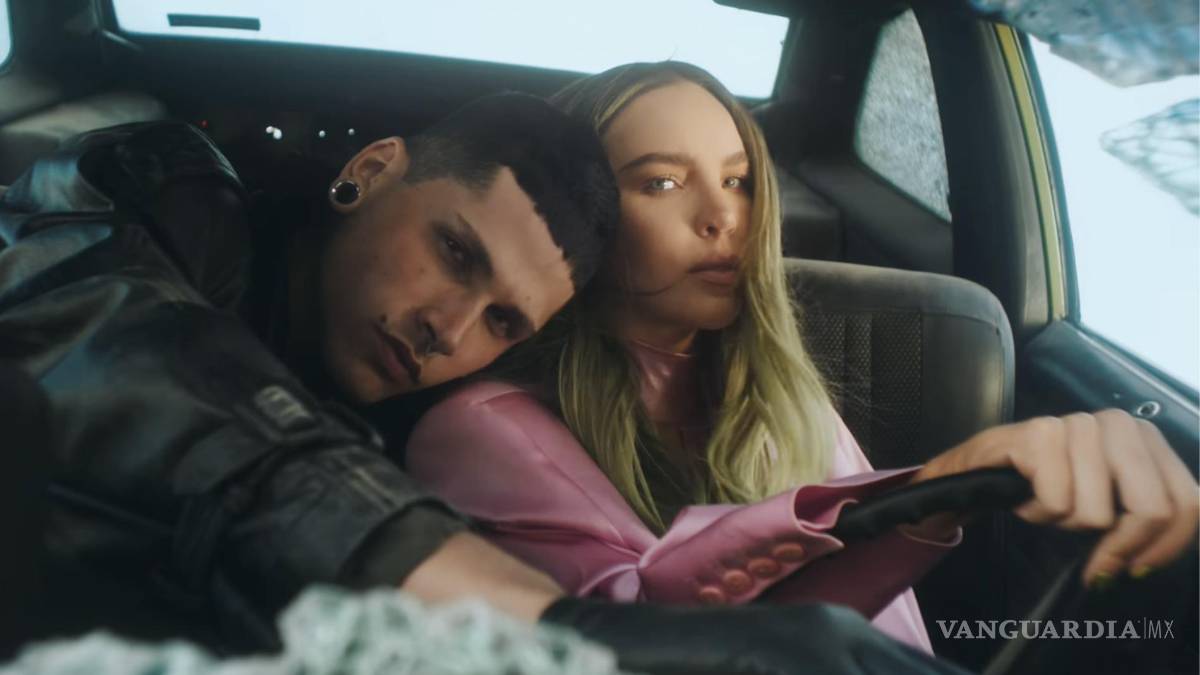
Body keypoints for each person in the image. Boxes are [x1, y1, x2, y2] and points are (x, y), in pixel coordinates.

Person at [0, 92, 971, 675]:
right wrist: (568, 628)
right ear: (373, 169)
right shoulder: (162, 196)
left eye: (504, 320)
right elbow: (116, 348)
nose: (449, 328)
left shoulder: (437, 426)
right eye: (454, 253)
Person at [405, 61, 1200, 653]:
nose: (723, 216)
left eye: (740, 180)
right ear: (582, 219)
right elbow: (640, 635)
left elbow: (895, 640)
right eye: (662, 184)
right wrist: (926, 495)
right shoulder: (479, 429)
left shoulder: (784, 394)